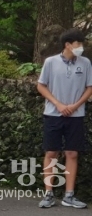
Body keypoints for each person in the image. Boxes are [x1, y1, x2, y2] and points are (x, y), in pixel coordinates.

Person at [37, 29, 92, 209]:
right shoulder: (50, 62)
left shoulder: (85, 63)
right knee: (51, 153)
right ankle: (48, 193)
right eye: (78, 44)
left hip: (76, 115)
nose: (81, 47)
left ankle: (69, 195)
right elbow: (41, 85)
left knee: (72, 153)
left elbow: (89, 87)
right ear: (68, 44)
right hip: (53, 114)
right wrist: (58, 104)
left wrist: (75, 106)